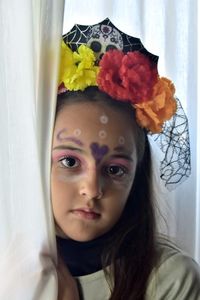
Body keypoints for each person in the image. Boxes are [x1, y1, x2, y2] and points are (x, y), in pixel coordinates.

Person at [51, 19, 200, 300]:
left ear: (136, 177)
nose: (93, 189)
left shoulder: (171, 280)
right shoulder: (8, 264)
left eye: (115, 169)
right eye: (70, 162)